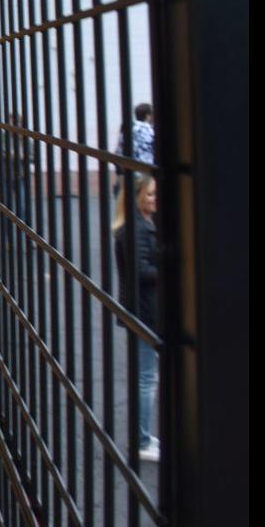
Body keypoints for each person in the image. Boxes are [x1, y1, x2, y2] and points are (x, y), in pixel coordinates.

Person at [112, 172, 160, 463]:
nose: (155, 199)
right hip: (143, 311)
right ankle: (141, 439)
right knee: (145, 379)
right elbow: (141, 272)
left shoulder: (137, 225)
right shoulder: (137, 229)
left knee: (146, 376)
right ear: (138, 197)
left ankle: (143, 435)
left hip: (141, 309)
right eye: (150, 194)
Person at [0, 111, 34, 225]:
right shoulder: (3, 138)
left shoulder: (25, 139)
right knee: (6, 206)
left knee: (22, 206)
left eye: (15, 122)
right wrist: (10, 155)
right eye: (10, 121)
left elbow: (33, 158)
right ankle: (7, 238)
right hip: (6, 174)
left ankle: (23, 232)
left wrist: (22, 157)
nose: (13, 124)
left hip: (21, 175)